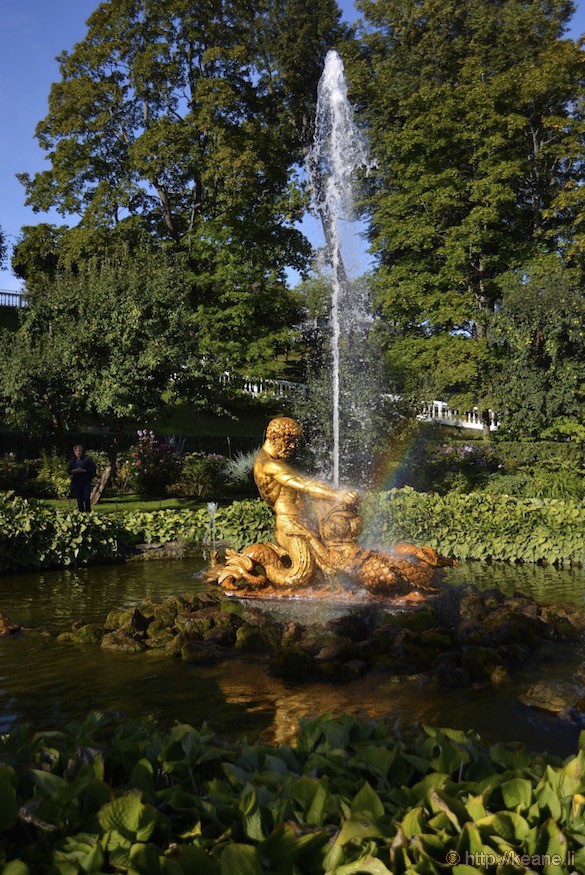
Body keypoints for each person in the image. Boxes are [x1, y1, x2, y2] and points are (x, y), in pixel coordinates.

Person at [67, 445, 96, 512]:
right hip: (77, 482)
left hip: (86, 481)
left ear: (82, 451)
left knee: (86, 498)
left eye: (79, 451)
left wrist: (84, 470)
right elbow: (69, 471)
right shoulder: (73, 460)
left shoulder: (87, 459)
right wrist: (74, 471)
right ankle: (81, 512)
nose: (78, 453)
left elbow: (92, 470)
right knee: (79, 499)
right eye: (76, 451)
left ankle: (88, 512)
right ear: (74, 452)